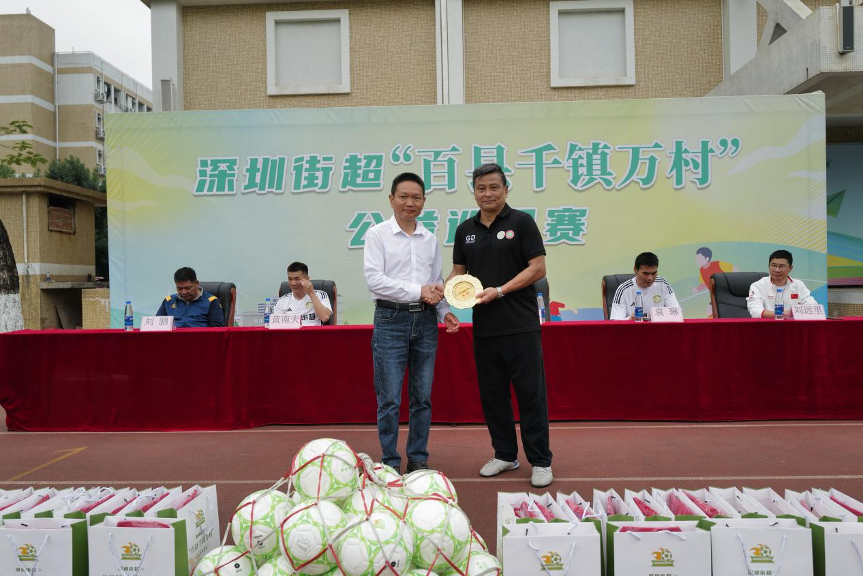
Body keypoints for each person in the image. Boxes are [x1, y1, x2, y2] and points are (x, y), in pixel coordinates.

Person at [446, 163, 553, 488]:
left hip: (521, 326)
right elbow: (458, 274)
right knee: (493, 397)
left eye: (494, 187)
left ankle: (541, 461)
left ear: (505, 190)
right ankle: (505, 454)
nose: (488, 193)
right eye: (481, 188)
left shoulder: (521, 222)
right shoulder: (465, 230)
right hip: (485, 329)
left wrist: (501, 290)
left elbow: (538, 269)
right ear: (474, 192)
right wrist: (442, 296)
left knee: (531, 396)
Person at [364, 172, 460, 474]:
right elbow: (375, 281)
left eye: (416, 197)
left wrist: (444, 311)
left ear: (423, 201)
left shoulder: (429, 239)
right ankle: (390, 462)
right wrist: (419, 290)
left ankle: (418, 458)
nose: (410, 202)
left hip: (426, 321)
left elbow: (435, 282)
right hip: (390, 319)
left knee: (422, 397)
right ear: (391, 199)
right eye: (403, 196)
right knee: (389, 398)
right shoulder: (377, 234)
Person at [746, 249, 817, 318]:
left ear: (790, 268)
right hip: (768, 324)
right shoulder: (758, 286)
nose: (777, 270)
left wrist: (794, 313)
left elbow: (813, 307)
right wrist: (787, 313)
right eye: (773, 265)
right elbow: (756, 312)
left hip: (793, 325)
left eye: (781, 266)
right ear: (769, 266)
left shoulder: (798, 285)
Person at [610, 252, 681, 320]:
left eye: (654, 273)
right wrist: (630, 319)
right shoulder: (623, 289)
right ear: (635, 270)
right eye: (645, 274)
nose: (650, 278)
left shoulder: (663, 283)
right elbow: (616, 322)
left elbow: (676, 313)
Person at [156, 267, 224, 327]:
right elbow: (156, 325)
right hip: (173, 337)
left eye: (188, 288)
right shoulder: (169, 301)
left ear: (197, 283)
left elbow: (217, 329)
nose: (184, 292)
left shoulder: (211, 302)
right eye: (180, 289)